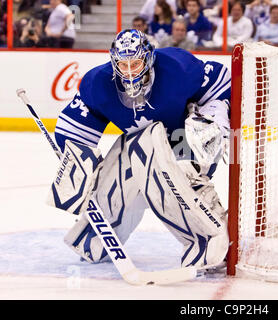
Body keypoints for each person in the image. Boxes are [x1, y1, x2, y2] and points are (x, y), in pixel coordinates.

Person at [49, 29, 231, 270]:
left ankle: (207, 237)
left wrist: (211, 126)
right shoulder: (98, 84)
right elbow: (73, 131)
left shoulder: (176, 67)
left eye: (135, 63)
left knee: (179, 173)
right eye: (123, 65)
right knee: (124, 163)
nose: (130, 71)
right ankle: (97, 239)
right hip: (139, 144)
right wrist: (76, 167)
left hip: (181, 140)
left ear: (148, 59)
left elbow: (221, 81)